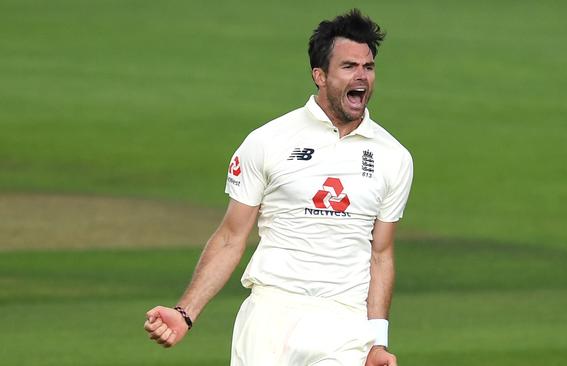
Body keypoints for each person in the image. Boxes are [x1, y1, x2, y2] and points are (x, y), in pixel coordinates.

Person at [144, 9, 413, 366]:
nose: (362, 76)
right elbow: (231, 236)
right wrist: (185, 312)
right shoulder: (269, 141)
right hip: (271, 314)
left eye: (369, 66)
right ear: (320, 75)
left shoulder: (393, 157)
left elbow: (381, 256)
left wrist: (378, 342)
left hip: (344, 322)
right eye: (349, 66)